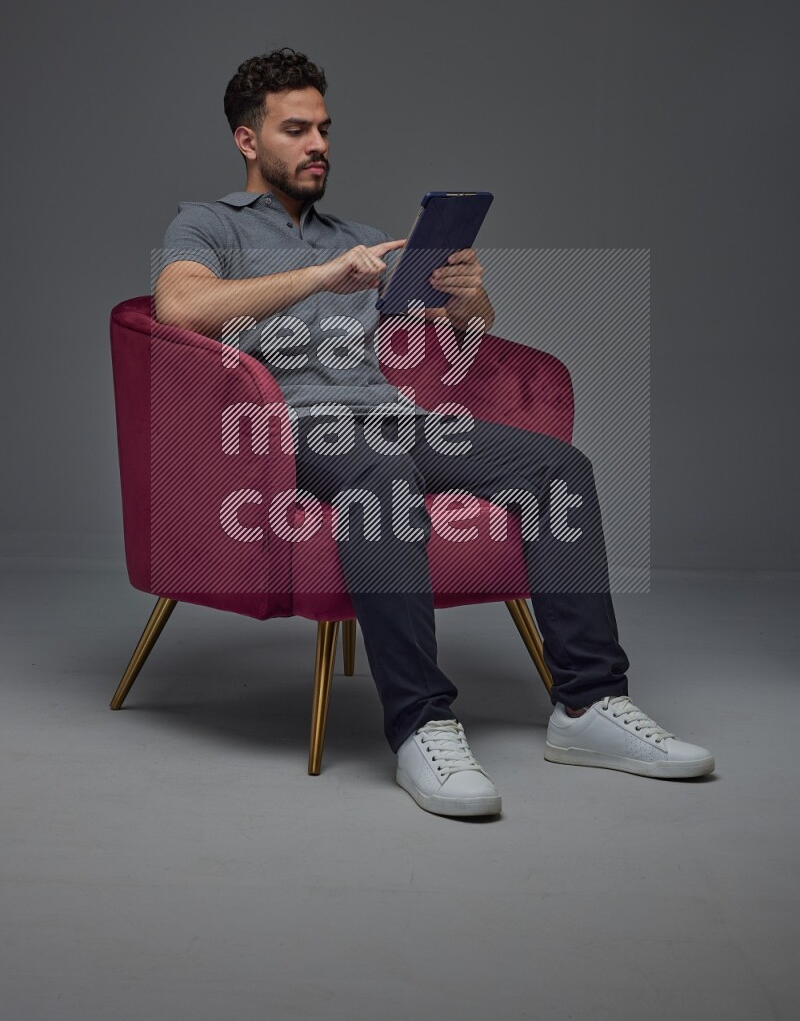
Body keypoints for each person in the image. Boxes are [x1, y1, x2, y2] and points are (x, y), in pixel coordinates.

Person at [154, 46, 715, 818]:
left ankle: (588, 706)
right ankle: (422, 723)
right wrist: (319, 277)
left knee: (559, 468)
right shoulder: (207, 223)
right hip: (291, 429)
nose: (318, 144)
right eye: (295, 129)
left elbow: (458, 343)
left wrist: (466, 301)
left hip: (399, 419)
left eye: (323, 127)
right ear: (248, 141)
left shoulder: (360, 233)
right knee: (382, 479)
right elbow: (178, 310)